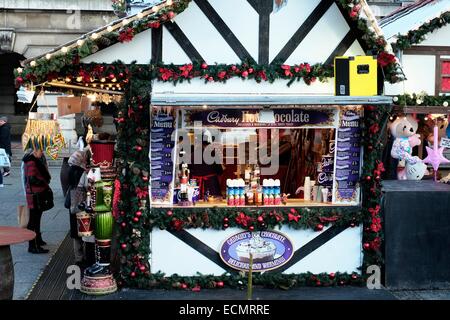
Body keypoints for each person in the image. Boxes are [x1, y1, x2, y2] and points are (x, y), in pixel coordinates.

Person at [23, 149, 52, 254]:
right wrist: (44, 182)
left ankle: (38, 240)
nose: (42, 152)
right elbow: (32, 179)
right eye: (40, 150)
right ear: (34, 151)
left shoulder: (34, 160)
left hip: (35, 194)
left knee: (37, 218)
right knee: (33, 220)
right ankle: (33, 245)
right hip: (35, 195)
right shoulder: (31, 162)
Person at [66, 150, 88, 268]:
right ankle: (82, 256)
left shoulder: (69, 170)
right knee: (83, 229)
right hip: (80, 204)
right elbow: (85, 187)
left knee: (75, 232)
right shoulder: (80, 171)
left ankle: (78, 257)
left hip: (72, 205)